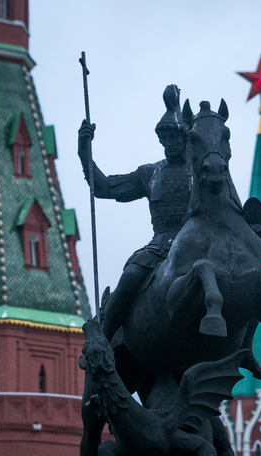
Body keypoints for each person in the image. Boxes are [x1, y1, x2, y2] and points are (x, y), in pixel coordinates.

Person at [78, 84, 191, 340]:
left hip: (199, 240)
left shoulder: (203, 170)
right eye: (165, 139)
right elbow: (104, 187)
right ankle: (103, 342)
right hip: (161, 246)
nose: (169, 144)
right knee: (129, 279)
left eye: (174, 138)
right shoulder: (150, 173)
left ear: (185, 138)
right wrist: (84, 150)